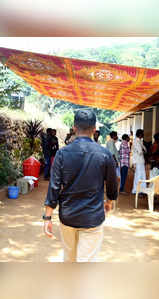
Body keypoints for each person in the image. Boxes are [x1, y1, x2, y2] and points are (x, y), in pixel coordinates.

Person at [43, 109, 117, 262]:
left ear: (74, 128)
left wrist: (47, 217)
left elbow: (54, 186)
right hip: (93, 217)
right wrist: (109, 202)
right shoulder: (104, 154)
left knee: (69, 258)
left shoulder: (62, 154)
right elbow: (112, 183)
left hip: (68, 216)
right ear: (94, 129)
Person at [131, 129, 147, 194]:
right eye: (143, 133)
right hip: (138, 161)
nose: (143, 135)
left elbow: (144, 150)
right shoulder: (136, 141)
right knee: (138, 176)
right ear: (140, 134)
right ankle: (136, 190)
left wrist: (144, 151)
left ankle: (142, 190)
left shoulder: (140, 141)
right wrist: (144, 151)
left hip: (141, 161)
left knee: (142, 176)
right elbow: (141, 151)